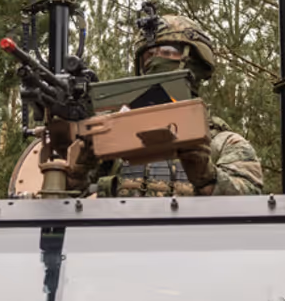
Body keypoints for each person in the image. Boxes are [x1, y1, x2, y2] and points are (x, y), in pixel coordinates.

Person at [78, 15, 264, 196]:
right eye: (149, 55)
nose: (155, 60)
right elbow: (65, 199)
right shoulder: (113, 137)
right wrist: (79, 165)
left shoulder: (225, 143)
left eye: (167, 52)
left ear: (194, 60)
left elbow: (252, 202)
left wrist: (207, 176)